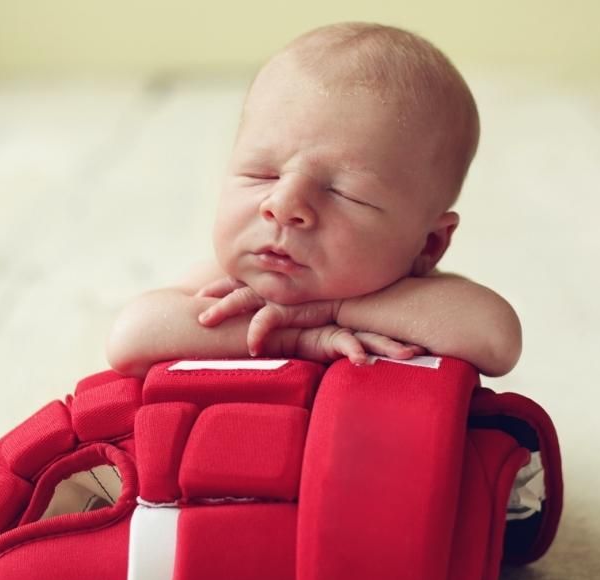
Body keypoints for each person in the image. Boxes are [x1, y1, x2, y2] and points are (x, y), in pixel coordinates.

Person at [107, 22, 521, 379]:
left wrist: (337, 308)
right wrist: (296, 337)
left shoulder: (422, 297)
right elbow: (131, 336)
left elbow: (496, 338)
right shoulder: (224, 289)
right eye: (262, 174)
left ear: (428, 244)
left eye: (345, 193)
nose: (283, 205)